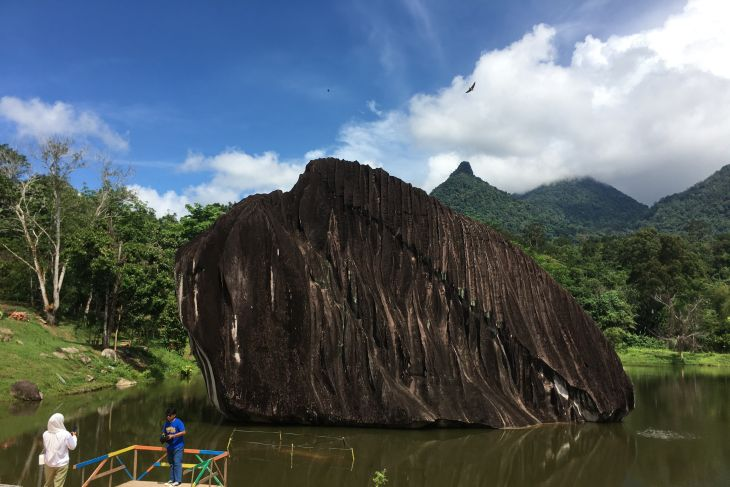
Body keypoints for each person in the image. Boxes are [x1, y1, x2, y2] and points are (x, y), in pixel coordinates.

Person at [42, 413, 77, 487]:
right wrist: (74, 436)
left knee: (47, 485)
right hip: (62, 464)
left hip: (48, 463)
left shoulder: (45, 434)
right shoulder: (66, 434)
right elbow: (72, 447)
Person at [162, 407, 186, 486]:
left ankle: (178, 481)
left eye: (169, 415)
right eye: (167, 415)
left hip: (178, 446)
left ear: (174, 415)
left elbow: (183, 432)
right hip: (169, 447)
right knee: (171, 463)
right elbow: (164, 432)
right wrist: (163, 437)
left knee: (177, 463)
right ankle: (172, 480)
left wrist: (173, 436)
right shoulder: (166, 423)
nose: (168, 417)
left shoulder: (178, 422)